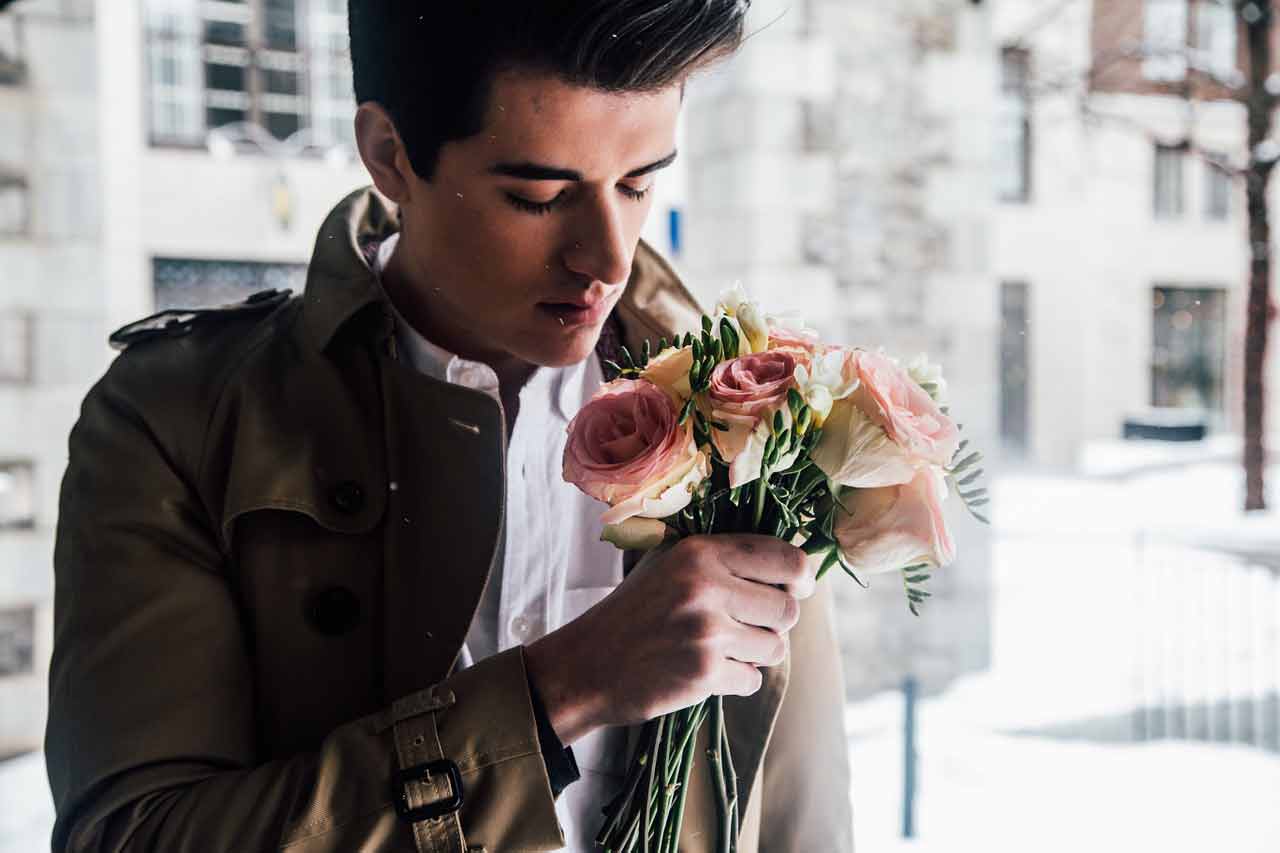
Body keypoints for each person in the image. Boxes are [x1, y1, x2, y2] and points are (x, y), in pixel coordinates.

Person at [44, 1, 854, 850]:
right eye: (539, 196)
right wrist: (558, 689)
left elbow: (803, 815)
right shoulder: (181, 420)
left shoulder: (758, 415)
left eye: (641, 182)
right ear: (390, 155)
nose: (608, 258)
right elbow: (130, 836)